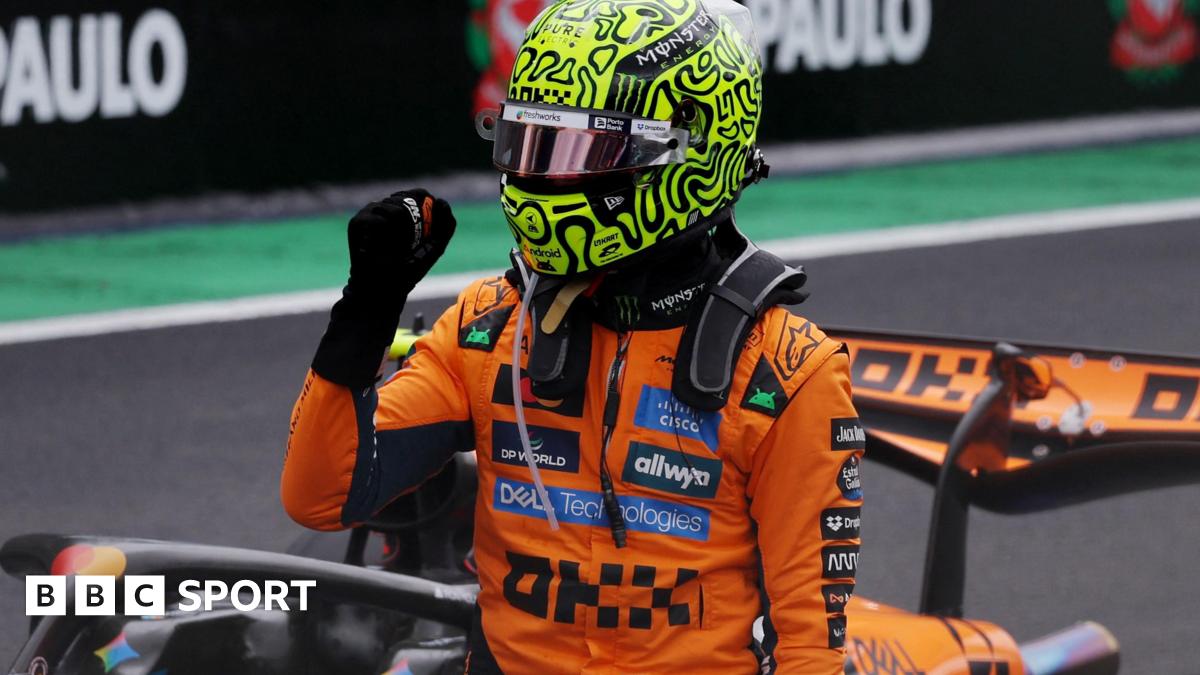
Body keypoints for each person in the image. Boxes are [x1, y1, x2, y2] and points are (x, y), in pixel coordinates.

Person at [281, 1, 862, 672]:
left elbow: (814, 649)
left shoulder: (786, 373)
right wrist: (365, 313)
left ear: (691, 150)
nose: (542, 179)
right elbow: (320, 495)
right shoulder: (487, 328)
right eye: (531, 144)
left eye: (580, 151)